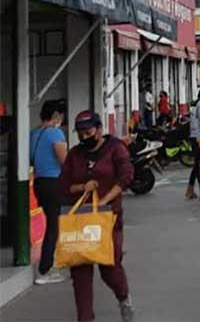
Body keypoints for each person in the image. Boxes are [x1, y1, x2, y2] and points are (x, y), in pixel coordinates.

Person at [59, 111, 135, 322]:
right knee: (80, 273)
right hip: (80, 220)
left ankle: (124, 297)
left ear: (99, 130)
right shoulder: (75, 154)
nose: (84, 137)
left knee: (110, 268)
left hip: (108, 219)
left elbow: (125, 177)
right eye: (80, 133)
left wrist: (104, 201)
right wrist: (83, 187)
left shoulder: (115, 148)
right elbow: (64, 186)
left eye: (88, 132)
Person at [30, 100, 67, 285]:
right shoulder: (55, 133)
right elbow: (64, 161)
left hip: (39, 183)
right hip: (54, 182)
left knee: (49, 224)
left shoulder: (33, 134)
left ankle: (47, 265)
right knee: (53, 226)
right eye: (60, 116)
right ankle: (45, 270)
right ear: (55, 116)